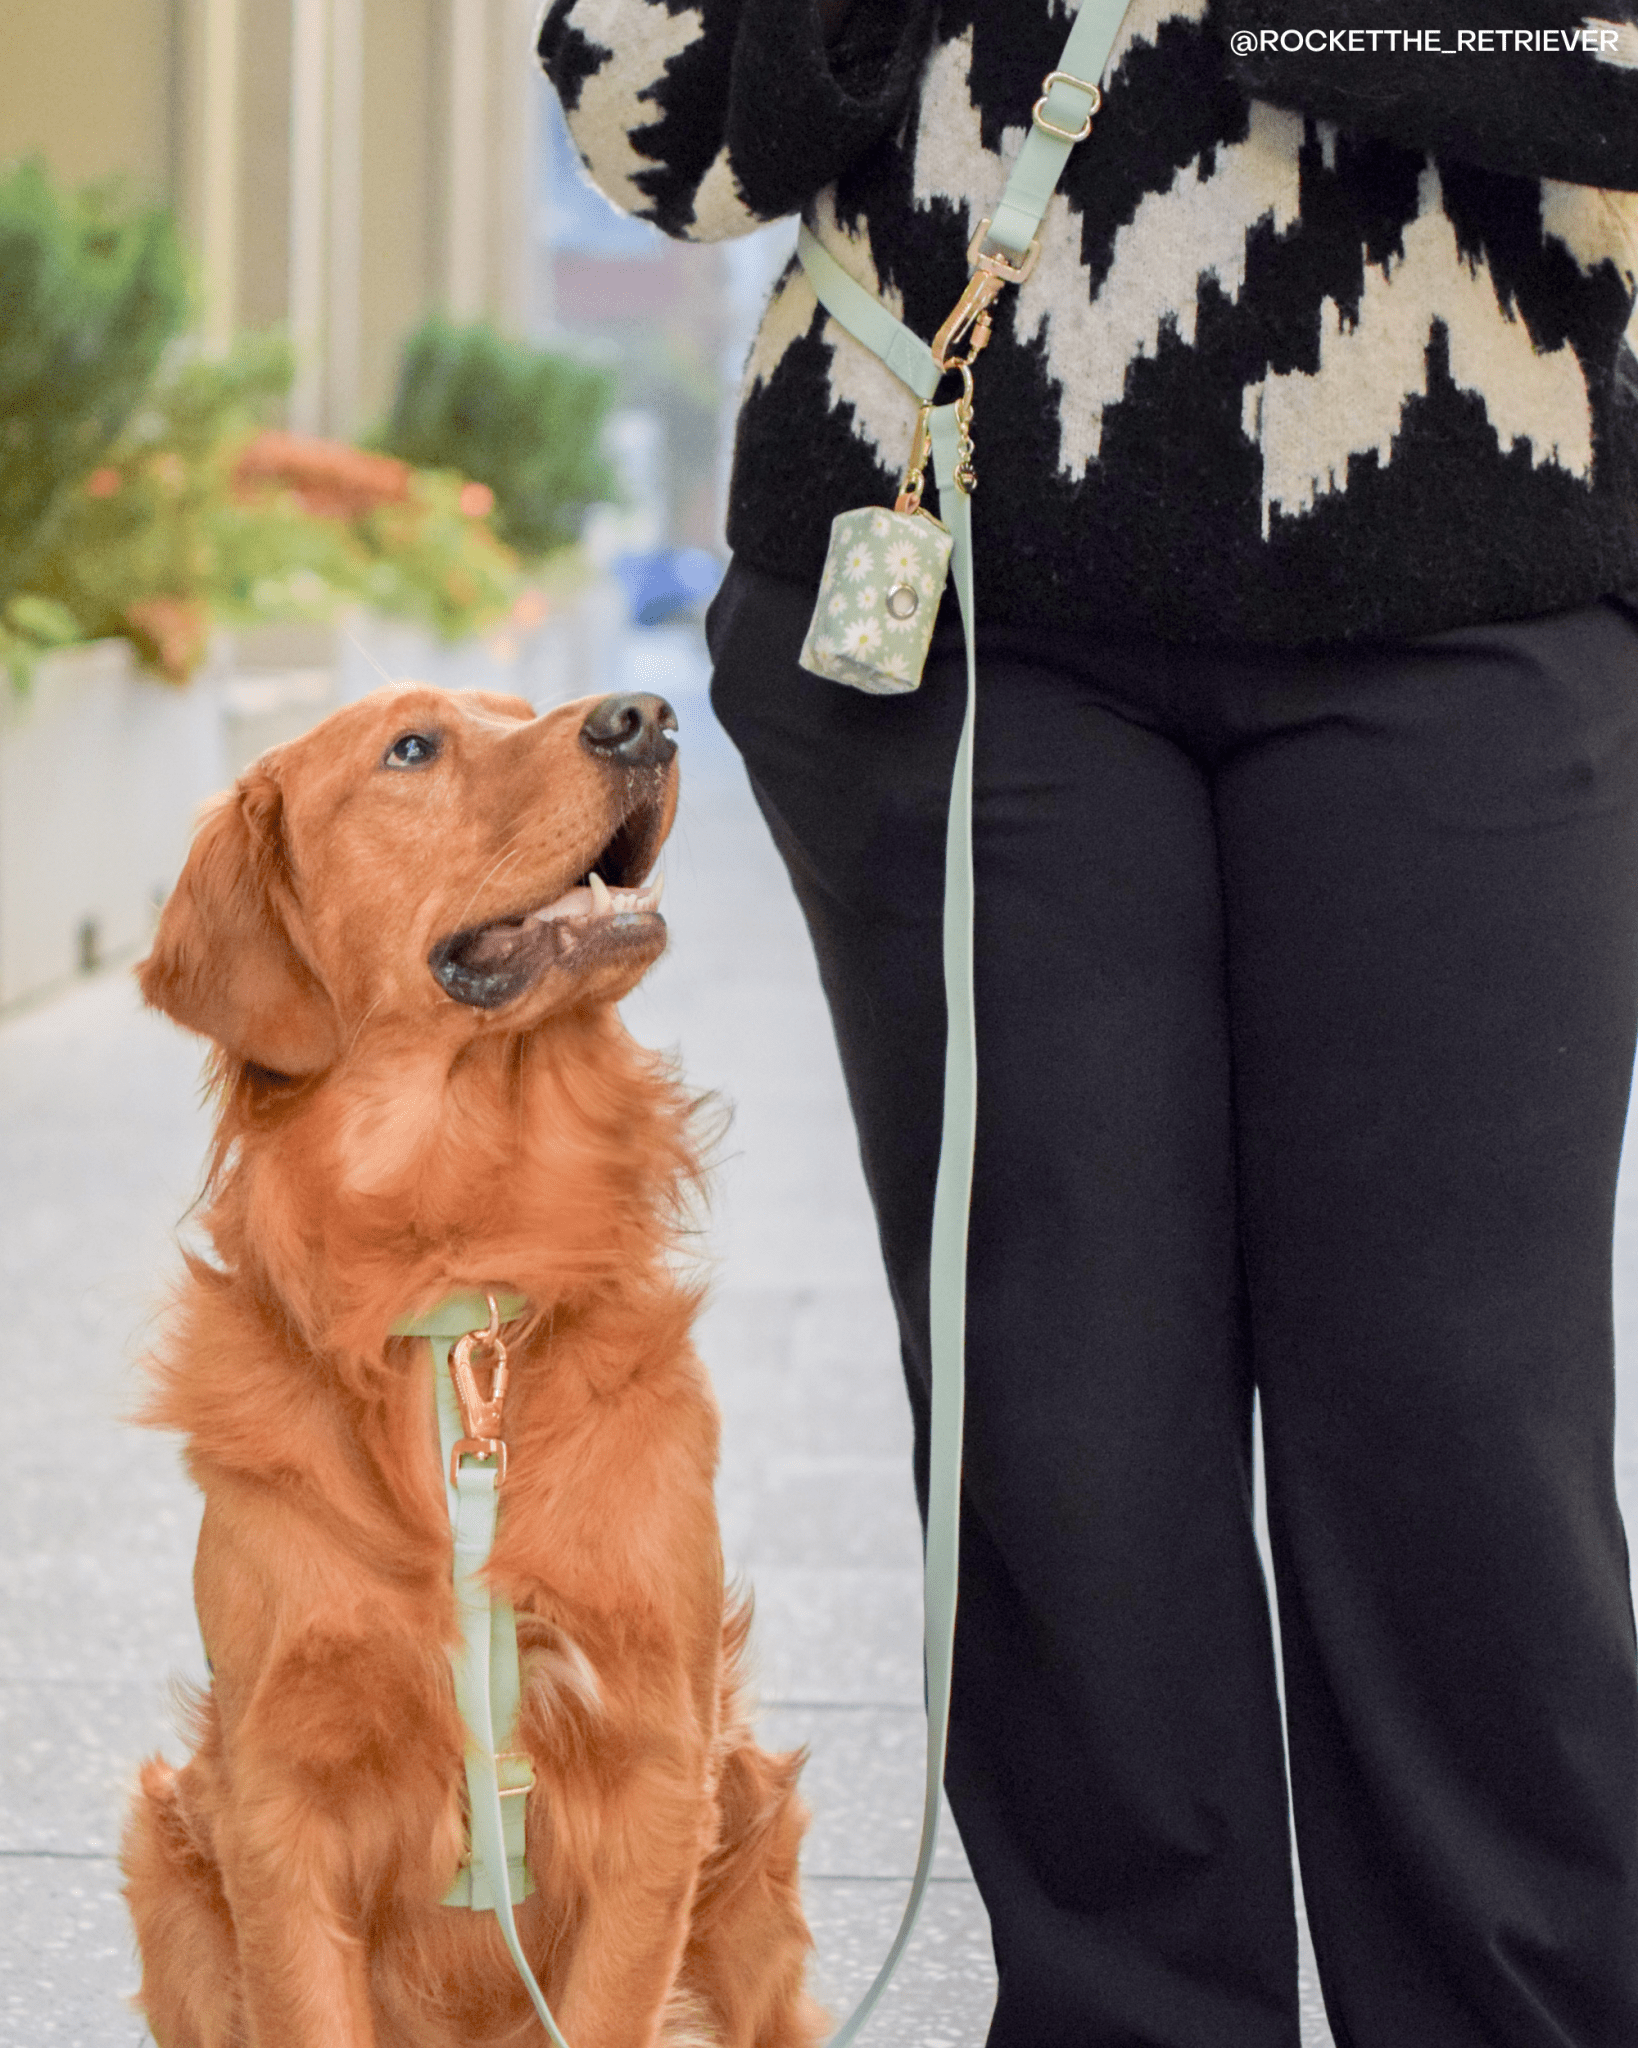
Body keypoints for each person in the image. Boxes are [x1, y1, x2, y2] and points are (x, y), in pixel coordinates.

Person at [537, 3, 1638, 2042]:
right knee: (1063, 1429)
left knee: (1463, 1446)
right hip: (956, 601)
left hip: (1466, 574)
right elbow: (653, 126)